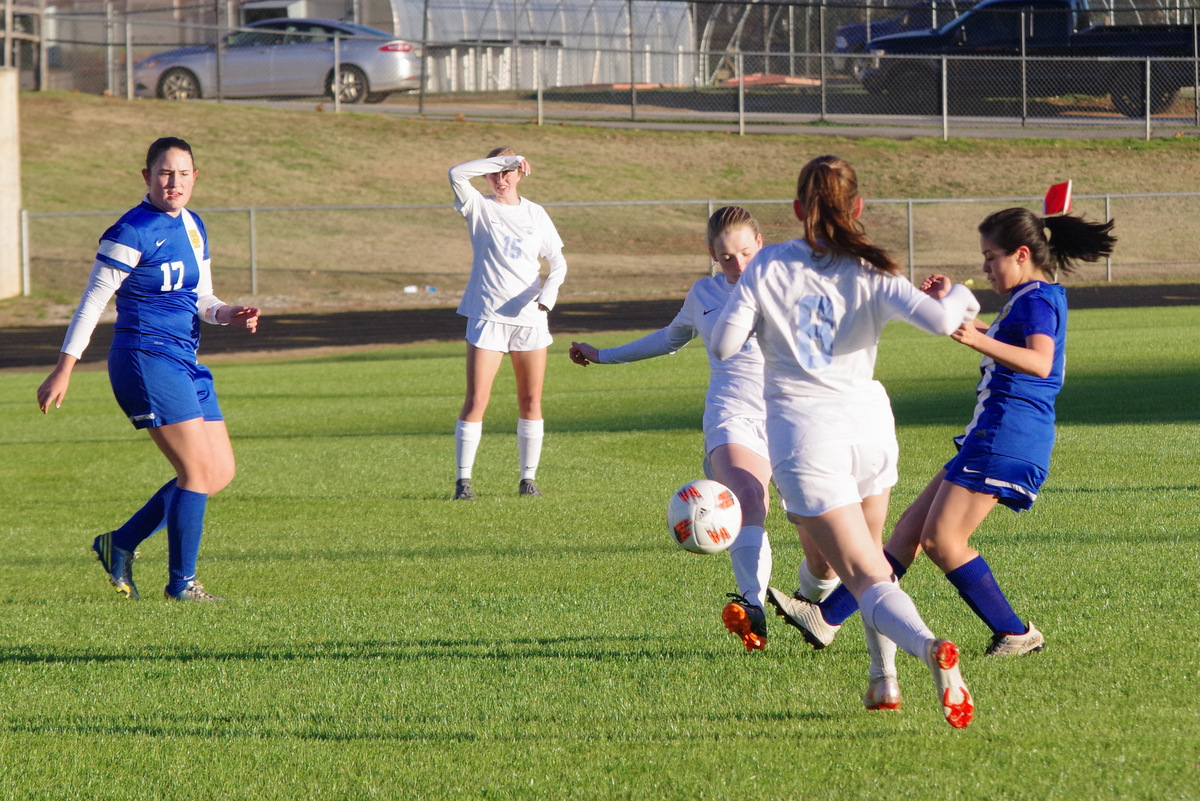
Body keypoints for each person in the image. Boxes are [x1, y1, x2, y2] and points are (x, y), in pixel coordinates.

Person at [774, 206, 1116, 660]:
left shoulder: (1036, 299)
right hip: (992, 434)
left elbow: (1040, 361)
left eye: (991, 257)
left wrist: (977, 339)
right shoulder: (1032, 296)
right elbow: (1007, 340)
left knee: (942, 541)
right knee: (907, 535)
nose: (985, 267)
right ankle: (827, 617)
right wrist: (952, 311)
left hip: (1007, 434)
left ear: (1021, 254)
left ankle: (1015, 633)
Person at [710, 155, 981, 727]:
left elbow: (723, 346)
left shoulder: (769, 265)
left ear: (796, 210)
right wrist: (963, 296)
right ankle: (883, 680)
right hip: (870, 430)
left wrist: (762, 316)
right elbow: (942, 320)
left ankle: (930, 647)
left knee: (865, 577)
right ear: (857, 206)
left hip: (807, 438)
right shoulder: (871, 266)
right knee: (873, 561)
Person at [568, 207, 840, 653]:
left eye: (745, 253)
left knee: (824, 557)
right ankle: (752, 607)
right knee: (748, 496)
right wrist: (604, 355)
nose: (737, 265)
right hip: (733, 416)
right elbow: (669, 338)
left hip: (792, 419)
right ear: (712, 255)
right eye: (726, 257)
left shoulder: (790, 284)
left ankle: (808, 605)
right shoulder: (705, 293)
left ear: (761, 243)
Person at [37, 137, 260, 603]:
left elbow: (201, 298)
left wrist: (229, 313)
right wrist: (64, 368)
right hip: (145, 359)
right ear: (147, 177)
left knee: (218, 472)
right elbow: (92, 303)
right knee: (196, 470)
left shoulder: (194, 225)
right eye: (164, 172)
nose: (174, 182)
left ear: (195, 178)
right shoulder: (130, 232)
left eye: (183, 173)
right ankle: (182, 585)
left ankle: (120, 543)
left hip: (185, 360)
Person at [449, 147, 568, 500]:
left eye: (508, 172)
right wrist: (504, 161)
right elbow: (456, 173)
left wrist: (548, 294)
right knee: (477, 399)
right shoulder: (478, 206)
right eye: (495, 173)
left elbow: (558, 261)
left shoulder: (536, 213)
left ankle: (528, 479)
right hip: (487, 315)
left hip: (530, 318)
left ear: (520, 174)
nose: (501, 179)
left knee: (530, 399)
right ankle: (463, 482)